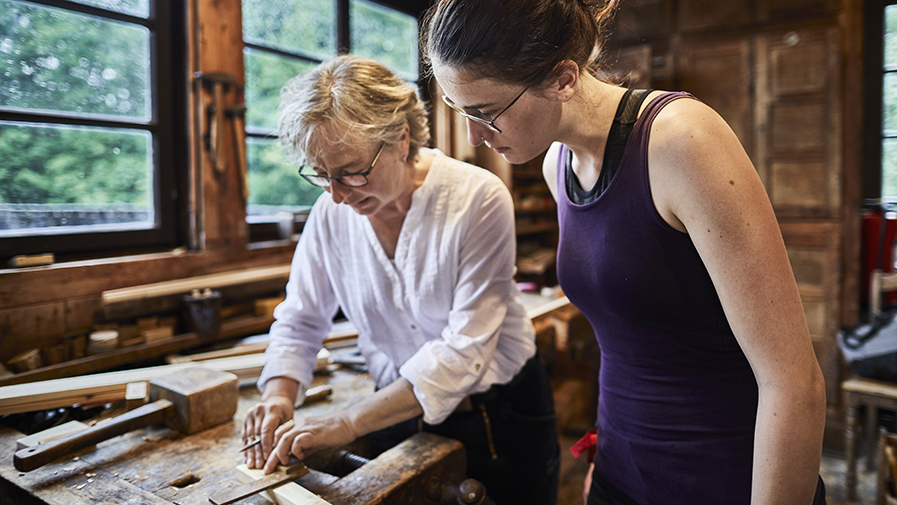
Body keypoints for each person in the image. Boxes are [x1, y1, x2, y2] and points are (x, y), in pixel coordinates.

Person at [422, 1, 827, 504]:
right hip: (620, 470)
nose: (474, 138)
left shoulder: (681, 141)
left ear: (563, 78)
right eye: (462, 111)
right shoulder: (558, 165)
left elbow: (794, 384)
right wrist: (603, 449)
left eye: (486, 114)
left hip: (725, 477)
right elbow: (626, 341)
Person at [241, 55, 560, 505]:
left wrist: (348, 423)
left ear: (400, 139)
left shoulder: (477, 198)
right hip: (388, 412)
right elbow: (300, 320)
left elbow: (464, 351)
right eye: (322, 176)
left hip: (495, 415)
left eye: (352, 171)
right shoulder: (332, 213)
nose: (337, 194)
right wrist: (279, 396)